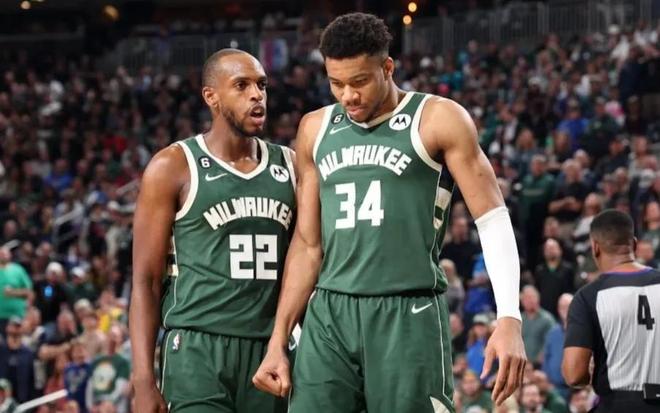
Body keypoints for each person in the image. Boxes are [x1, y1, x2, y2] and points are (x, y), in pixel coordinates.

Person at [253, 12, 525, 413]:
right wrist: (279, 339)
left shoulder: (438, 118)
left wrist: (509, 317)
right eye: (336, 83)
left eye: (359, 81)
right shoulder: (315, 128)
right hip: (330, 313)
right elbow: (308, 244)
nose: (348, 96)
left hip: (407, 311)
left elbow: (493, 219)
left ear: (387, 68)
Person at [129, 48, 296, 413]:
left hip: (269, 349)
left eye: (262, 85)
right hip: (197, 350)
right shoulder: (173, 166)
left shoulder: (291, 166)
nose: (257, 95)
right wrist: (142, 379)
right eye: (242, 85)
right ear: (211, 96)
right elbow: (145, 281)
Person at [563, 209, 660, 412]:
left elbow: (574, 375)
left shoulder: (588, 297)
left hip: (618, 404)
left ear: (595, 247)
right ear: (634, 244)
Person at [0, 247, 33, 339]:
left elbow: (29, 291)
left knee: (17, 340)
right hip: (0, 315)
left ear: (10, 255)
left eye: (5, 254)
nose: (3, 256)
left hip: (17, 314)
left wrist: (13, 292)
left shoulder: (18, 270)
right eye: (1, 254)